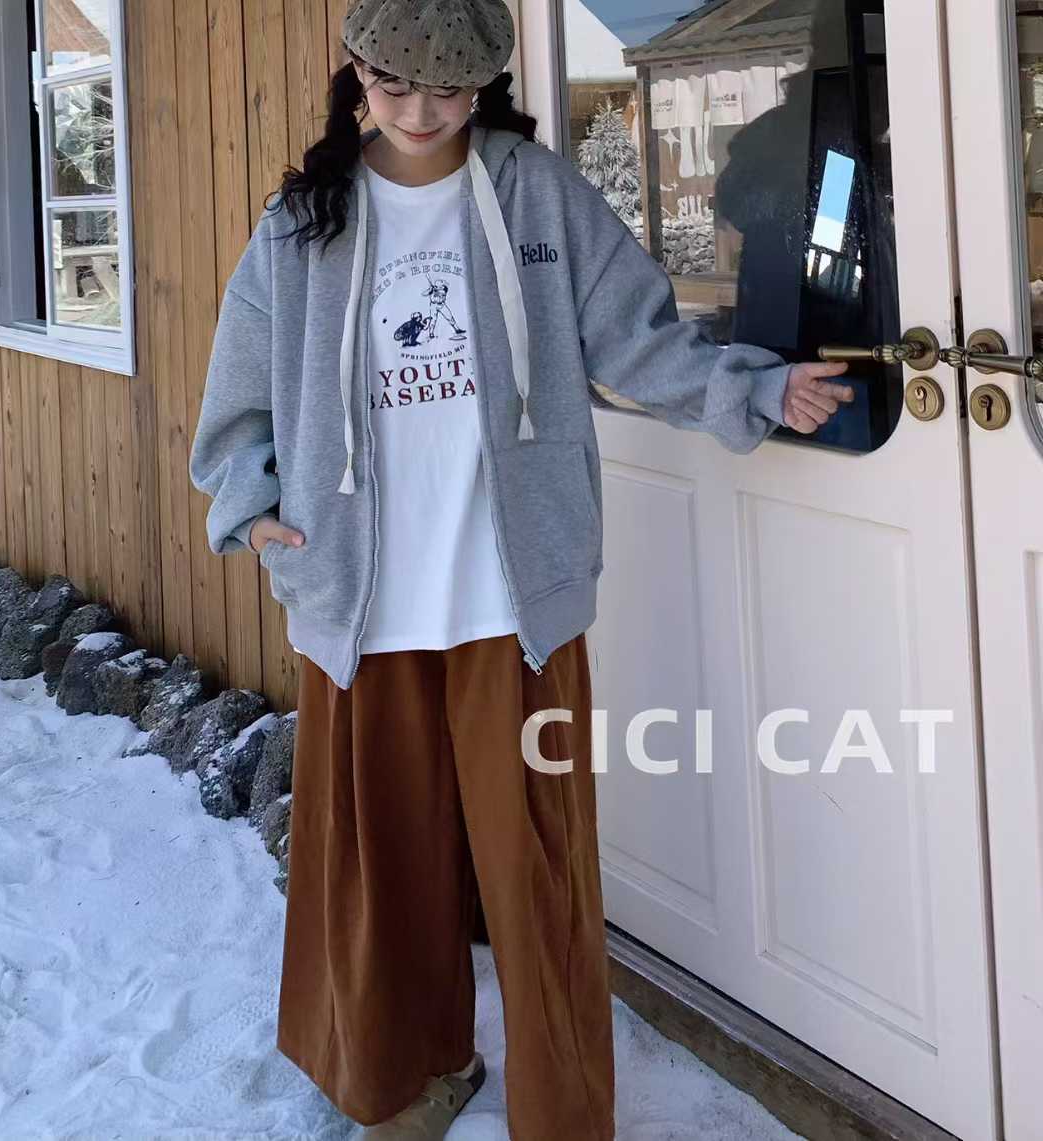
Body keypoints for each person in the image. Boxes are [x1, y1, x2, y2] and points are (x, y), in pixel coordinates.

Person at [188, 2, 853, 1137]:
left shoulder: (538, 195)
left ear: (485, 86)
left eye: (449, 91)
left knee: (539, 875)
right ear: (358, 75)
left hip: (513, 601)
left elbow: (637, 333)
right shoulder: (303, 221)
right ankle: (411, 1079)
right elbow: (240, 389)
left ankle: (562, 1111)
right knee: (384, 872)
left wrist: (750, 390)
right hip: (359, 602)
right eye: (397, 87)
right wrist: (251, 510)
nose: (421, 112)